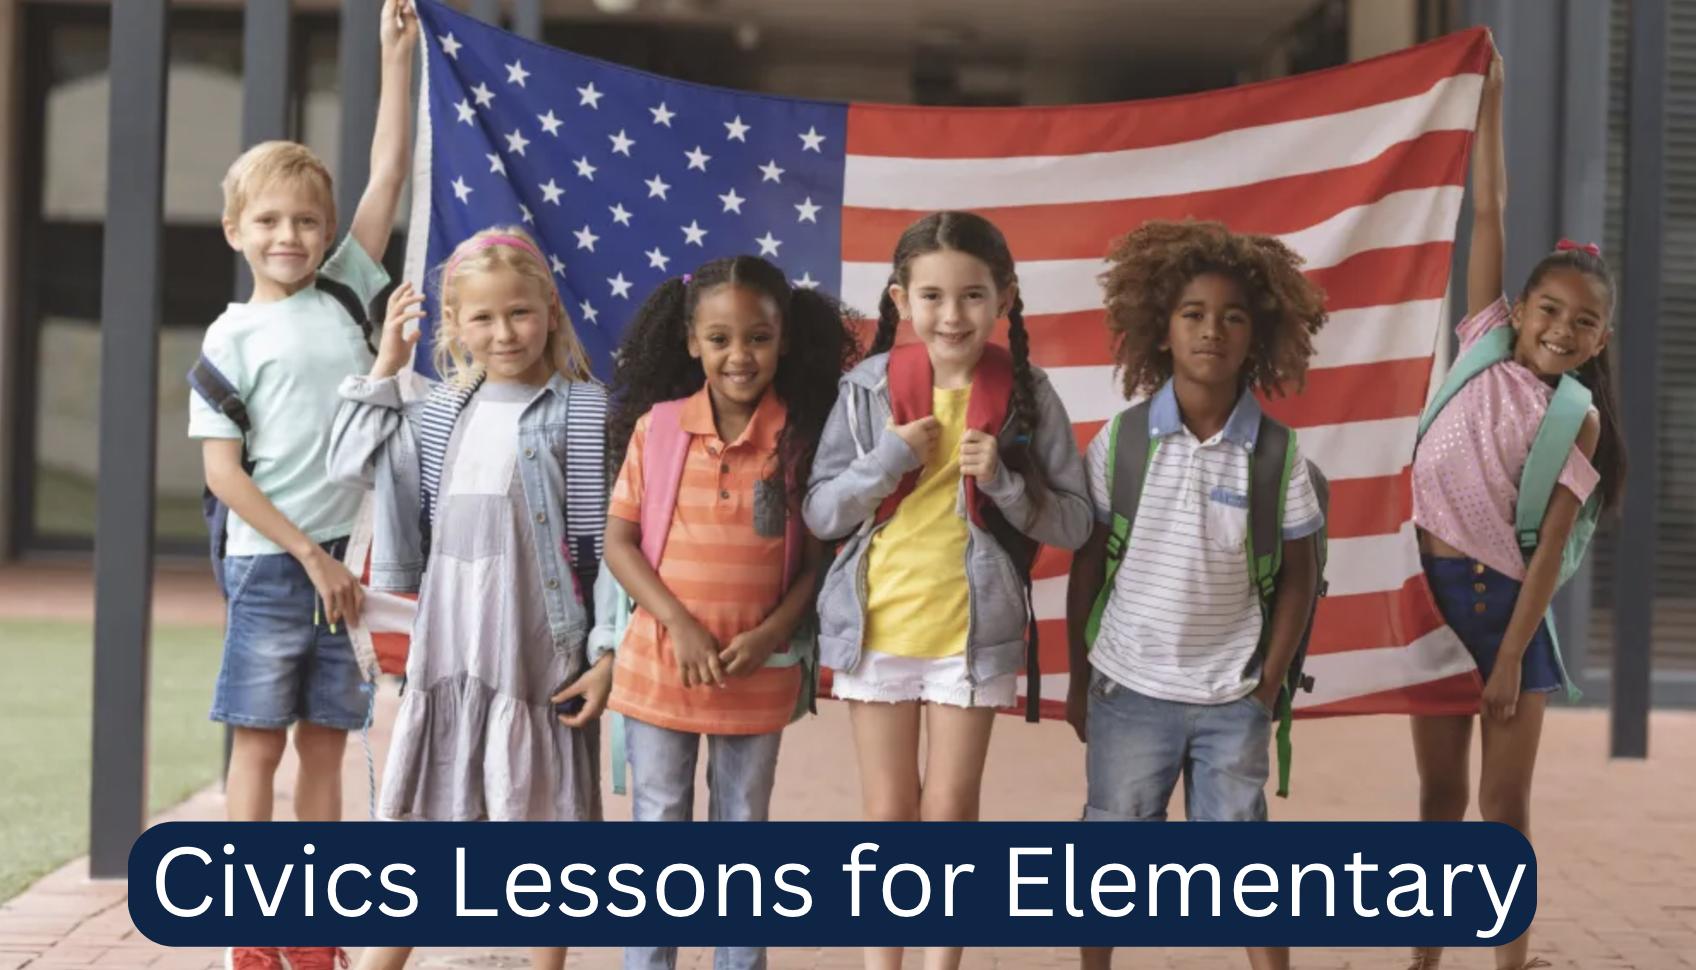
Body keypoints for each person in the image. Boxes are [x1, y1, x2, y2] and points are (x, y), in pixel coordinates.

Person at [187, 4, 415, 968]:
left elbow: (388, 174)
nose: (291, 235)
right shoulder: (229, 338)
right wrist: (309, 557)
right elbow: (222, 474)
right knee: (259, 747)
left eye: (307, 221)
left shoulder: (346, 291)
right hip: (273, 569)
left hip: (350, 572)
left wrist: (395, 61)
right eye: (270, 221)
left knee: (325, 747)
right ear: (235, 230)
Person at [803, 210, 1093, 970]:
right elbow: (821, 512)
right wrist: (886, 461)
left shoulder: (1028, 392)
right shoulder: (867, 389)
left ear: (1005, 298)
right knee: (887, 815)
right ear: (901, 300)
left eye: (972, 295)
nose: (952, 315)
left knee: (951, 814)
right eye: (931, 296)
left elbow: (1074, 523)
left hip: (973, 633)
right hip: (878, 625)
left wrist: (1004, 483)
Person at [1404, 44, 1623, 970]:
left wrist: (1506, 659)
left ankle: (1511, 960)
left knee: (1501, 806)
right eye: (1549, 309)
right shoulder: (1483, 347)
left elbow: (1547, 555)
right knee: (1438, 801)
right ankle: (1422, 958)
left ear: (1600, 339)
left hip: (1508, 612)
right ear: (1520, 307)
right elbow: (1488, 207)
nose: (1561, 329)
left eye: (1583, 322)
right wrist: (1490, 99)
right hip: (1434, 601)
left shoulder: (1577, 419)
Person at [1066, 218, 1328, 970]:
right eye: (1193, 314)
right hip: (1129, 687)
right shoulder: (1121, 442)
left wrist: (1267, 685)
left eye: (1233, 317)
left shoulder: (1277, 453)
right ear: (1162, 330)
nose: (1213, 329)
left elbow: (1301, 574)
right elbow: (1087, 567)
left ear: (1256, 337)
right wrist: (1080, 680)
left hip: (1231, 695)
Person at [598, 255, 859, 970]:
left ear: (785, 340)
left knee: (742, 829)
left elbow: (816, 562)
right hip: (660, 669)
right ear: (692, 341)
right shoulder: (657, 431)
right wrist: (680, 625)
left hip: (758, 672)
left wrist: (773, 632)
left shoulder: (802, 438)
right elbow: (619, 543)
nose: (739, 356)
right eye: (719, 339)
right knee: (659, 826)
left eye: (758, 338)